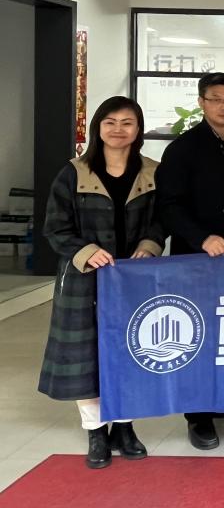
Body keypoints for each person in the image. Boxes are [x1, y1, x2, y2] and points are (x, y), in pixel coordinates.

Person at [39, 96, 164, 469]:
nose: (118, 130)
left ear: (138, 129)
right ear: (98, 127)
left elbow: (162, 220)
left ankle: (124, 426)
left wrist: (150, 245)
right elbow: (55, 227)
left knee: (132, 351)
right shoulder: (74, 173)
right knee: (87, 355)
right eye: (110, 122)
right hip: (85, 279)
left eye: (127, 122)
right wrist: (86, 250)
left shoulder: (153, 173)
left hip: (133, 280)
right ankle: (95, 431)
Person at [156, 72, 224, 451]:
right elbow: (168, 206)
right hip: (198, 259)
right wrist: (201, 238)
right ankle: (198, 416)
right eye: (216, 99)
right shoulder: (183, 149)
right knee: (199, 335)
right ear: (201, 102)